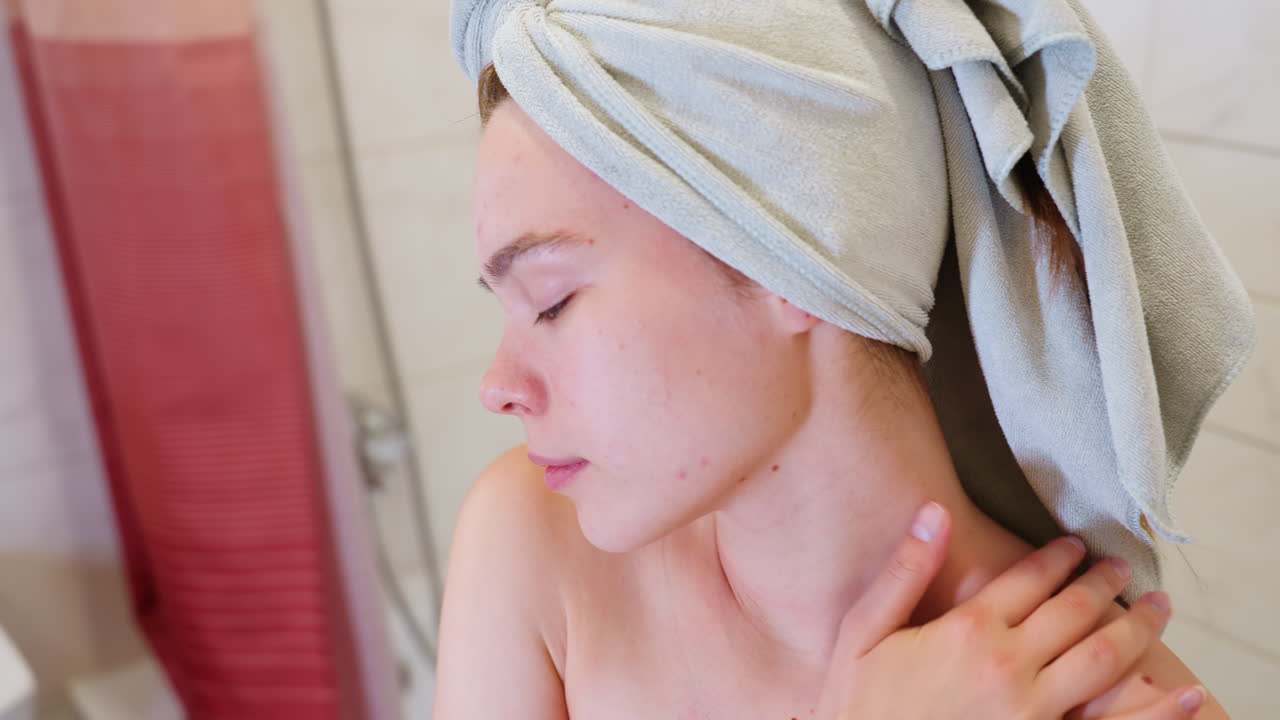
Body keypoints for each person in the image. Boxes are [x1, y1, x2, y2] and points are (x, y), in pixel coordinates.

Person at [430, 85, 1224, 719]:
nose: (498, 385)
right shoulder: (535, 551)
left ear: (790, 254)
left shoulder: (1111, 700)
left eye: (551, 300)